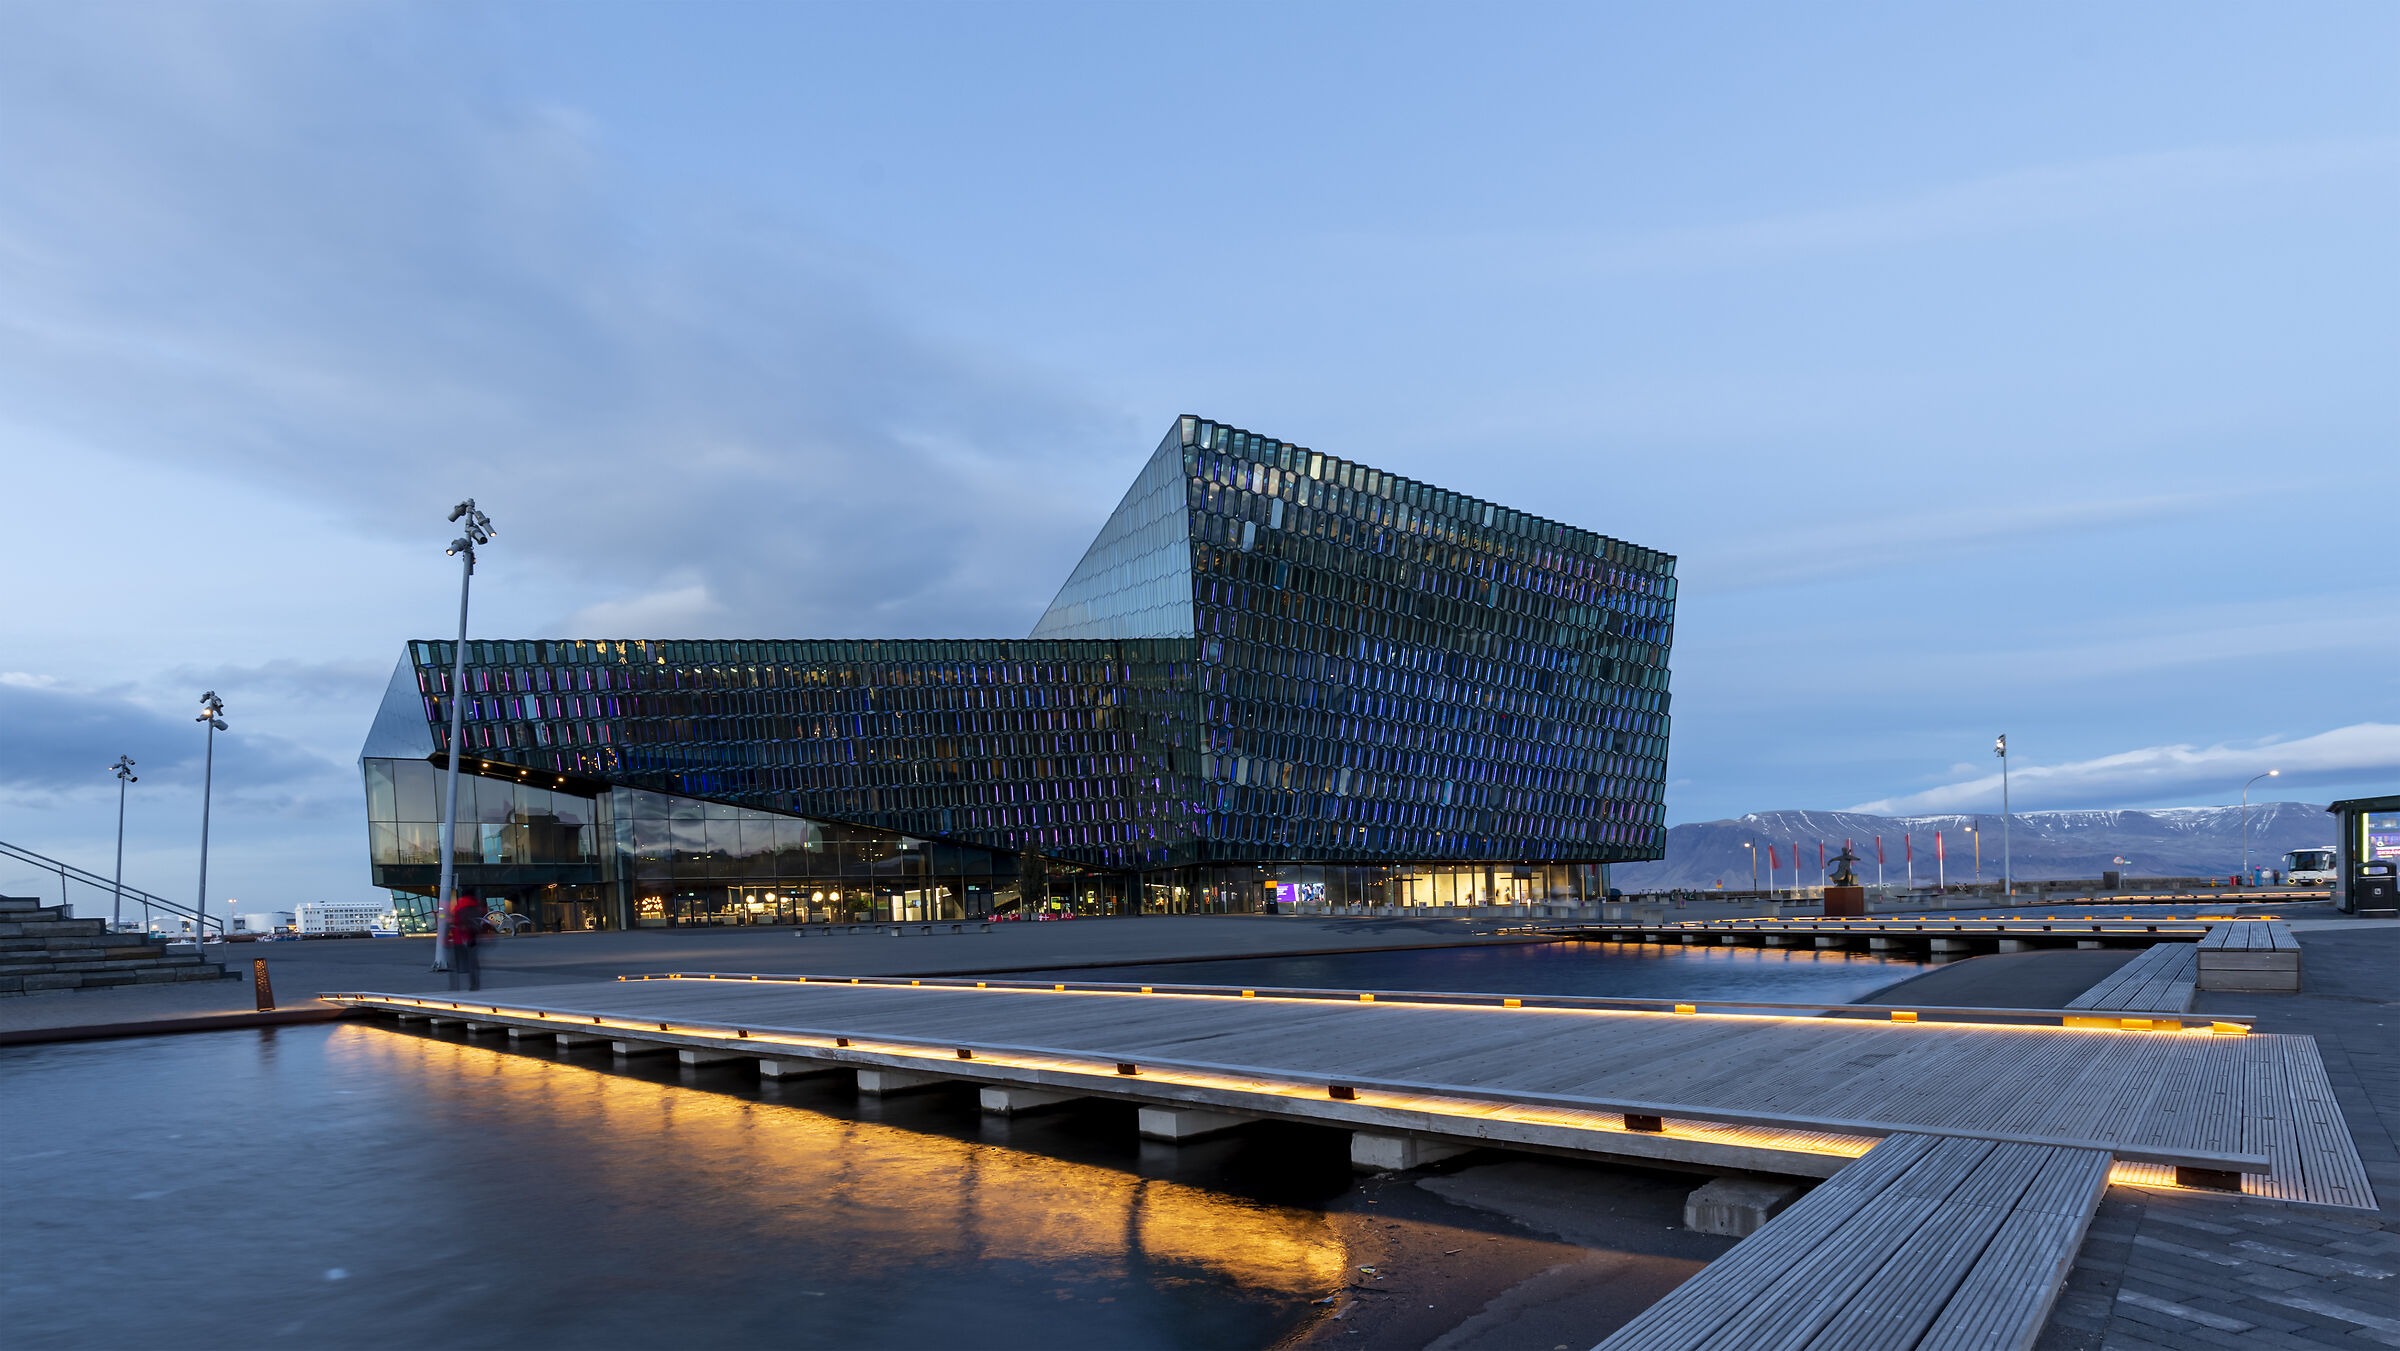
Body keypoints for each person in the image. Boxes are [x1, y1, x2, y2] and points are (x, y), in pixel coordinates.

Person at [445, 893, 488, 991]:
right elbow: (482, 922)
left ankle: (454, 987)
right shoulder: (476, 906)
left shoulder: (459, 906)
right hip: (472, 938)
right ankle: (474, 985)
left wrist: (448, 937)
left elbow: (454, 921)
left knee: (455, 964)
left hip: (459, 939)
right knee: (473, 964)